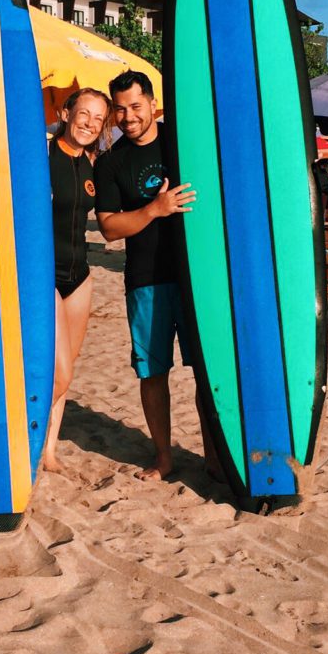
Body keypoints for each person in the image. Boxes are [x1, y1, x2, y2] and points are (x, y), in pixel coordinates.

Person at [94, 70, 221, 482]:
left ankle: (215, 457)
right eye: (120, 109)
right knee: (152, 373)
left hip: (197, 275)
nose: (128, 116)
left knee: (207, 370)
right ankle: (164, 457)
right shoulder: (112, 161)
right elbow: (110, 228)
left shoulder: (182, 140)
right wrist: (154, 209)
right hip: (146, 279)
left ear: (153, 104)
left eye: (135, 106)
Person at [44, 88, 112, 473]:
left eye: (98, 118)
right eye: (83, 113)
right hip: (44, 276)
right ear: (66, 112)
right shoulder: (40, 155)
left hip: (80, 276)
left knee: (68, 367)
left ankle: (49, 450)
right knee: (59, 370)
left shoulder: (92, 163)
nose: (88, 123)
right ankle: (24, 435)